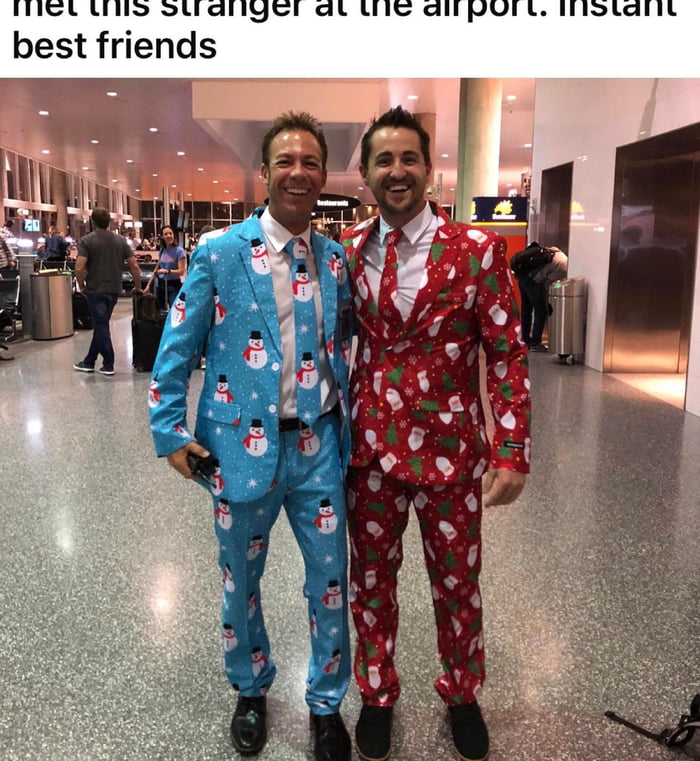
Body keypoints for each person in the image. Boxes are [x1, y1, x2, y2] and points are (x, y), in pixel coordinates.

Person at [149, 112, 354, 761]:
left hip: (317, 445)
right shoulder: (219, 253)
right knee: (241, 577)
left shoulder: (334, 258)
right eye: (285, 161)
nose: (299, 172)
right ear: (263, 172)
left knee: (330, 580)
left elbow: (343, 341)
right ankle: (251, 686)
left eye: (311, 162)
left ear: (323, 175)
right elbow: (176, 346)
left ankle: (325, 702)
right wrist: (169, 431)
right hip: (239, 449)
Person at [340, 107, 531, 761]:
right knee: (371, 579)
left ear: (429, 168)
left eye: (408, 158)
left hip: (451, 454)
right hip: (367, 453)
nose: (397, 171)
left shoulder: (477, 252)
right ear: (365, 173)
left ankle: (461, 691)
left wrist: (512, 445)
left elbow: (506, 352)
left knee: (457, 581)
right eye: (383, 160)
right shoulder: (347, 253)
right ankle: (376, 691)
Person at [73, 207, 142, 376]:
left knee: (101, 324)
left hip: (95, 289)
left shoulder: (86, 241)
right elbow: (134, 265)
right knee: (101, 324)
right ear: (109, 222)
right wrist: (138, 286)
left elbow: (79, 267)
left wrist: (81, 284)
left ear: (93, 222)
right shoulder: (120, 241)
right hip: (114, 289)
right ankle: (89, 361)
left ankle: (109, 363)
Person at [515, 242, 568, 352]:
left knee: (526, 309)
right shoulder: (564, 267)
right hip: (533, 281)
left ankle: (525, 339)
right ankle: (535, 343)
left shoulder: (556, 250)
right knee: (541, 312)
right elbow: (546, 283)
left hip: (523, 278)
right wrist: (546, 302)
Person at [152, 226, 186, 310]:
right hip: (161, 284)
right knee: (160, 310)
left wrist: (167, 271)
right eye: (166, 234)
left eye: (170, 233)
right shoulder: (162, 250)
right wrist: (148, 286)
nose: (168, 236)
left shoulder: (179, 251)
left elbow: (181, 271)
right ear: (162, 237)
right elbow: (157, 268)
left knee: (174, 310)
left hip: (173, 285)